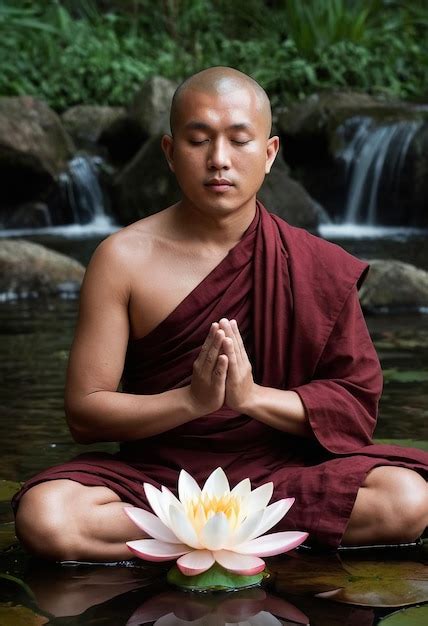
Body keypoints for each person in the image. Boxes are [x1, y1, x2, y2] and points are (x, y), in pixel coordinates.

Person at [13, 67, 428, 562]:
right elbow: (86, 412)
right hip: (161, 479)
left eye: (239, 140)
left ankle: (202, 542)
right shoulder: (122, 258)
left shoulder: (313, 263)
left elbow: (353, 408)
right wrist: (190, 401)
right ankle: (273, 539)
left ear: (270, 153)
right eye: (198, 141)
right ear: (169, 152)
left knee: (407, 499)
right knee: (49, 517)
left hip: (280, 472)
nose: (219, 161)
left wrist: (251, 397)